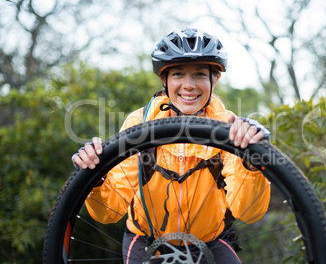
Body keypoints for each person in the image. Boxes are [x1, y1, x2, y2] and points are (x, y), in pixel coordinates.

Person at [73, 28, 271, 264]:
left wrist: (250, 163)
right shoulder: (139, 124)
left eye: (199, 74)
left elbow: (248, 212)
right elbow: (109, 211)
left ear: (215, 79)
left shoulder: (230, 129)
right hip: (146, 241)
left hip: (210, 240)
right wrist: (96, 179)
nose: (189, 85)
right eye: (178, 74)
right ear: (164, 80)